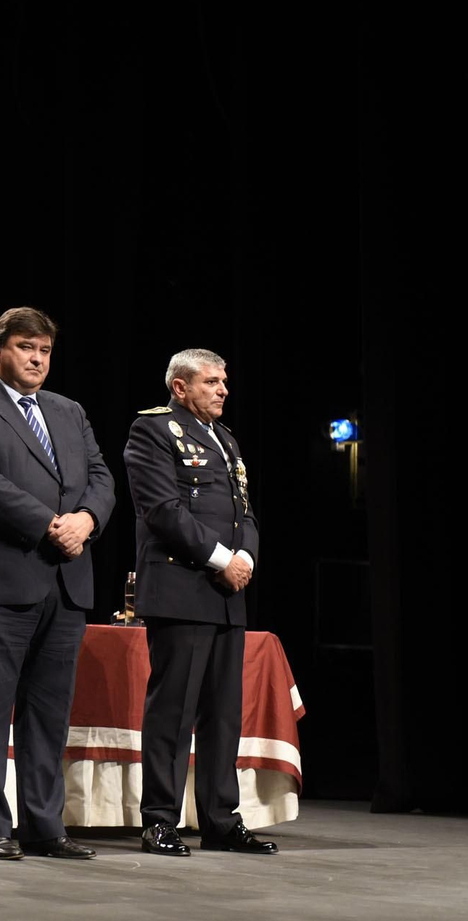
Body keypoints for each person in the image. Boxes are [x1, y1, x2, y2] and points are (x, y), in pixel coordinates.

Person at [0, 307, 115, 860]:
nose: (37, 359)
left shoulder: (69, 411)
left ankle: (44, 827)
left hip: (65, 584)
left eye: (44, 350)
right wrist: (48, 525)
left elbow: (102, 476)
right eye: (25, 347)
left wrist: (86, 520)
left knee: (48, 715)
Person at [123, 348, 278, 857]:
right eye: (211, 381)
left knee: (223, 714)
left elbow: (245, 513)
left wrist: (246, 560)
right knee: (173, 711)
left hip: (227, 595)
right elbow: (163, 511)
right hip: (183, 589)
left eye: (224, 381)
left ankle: (219, 818)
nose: (223, 389)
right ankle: (160, 820)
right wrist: (221, 560)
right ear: (180, 387)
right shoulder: (153, 431)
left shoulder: (225, 439)